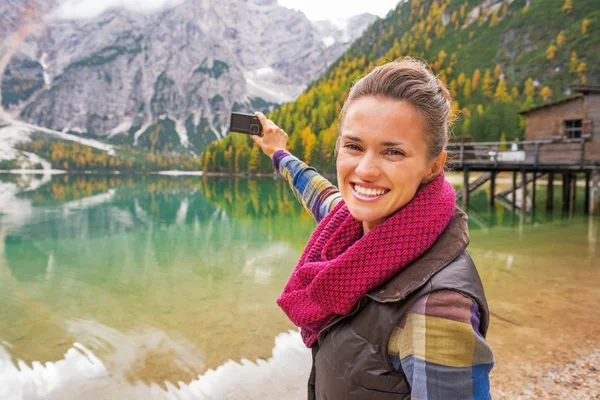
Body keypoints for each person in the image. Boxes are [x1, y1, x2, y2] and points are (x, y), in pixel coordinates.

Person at [250, 58, 494, 400]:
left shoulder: (439, 306)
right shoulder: (353, 227)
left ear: (433, 165)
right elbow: (319, 194)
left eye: (393, 152)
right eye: (353, 146)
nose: (364, 170)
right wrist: (279, 152)